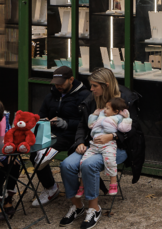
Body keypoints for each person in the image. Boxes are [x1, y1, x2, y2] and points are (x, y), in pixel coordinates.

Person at [59, 68, 140, 229]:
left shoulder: (125, 100)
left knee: (89, 165)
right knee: (66, 165)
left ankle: (94, 208)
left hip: (118, 147)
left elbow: (134, 130)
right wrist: (80, 142)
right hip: (93, 145)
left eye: (94, 86)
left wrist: (113, 136)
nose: (91, 89)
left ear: (106, 85)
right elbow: (83, 125)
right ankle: (77, 206)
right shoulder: (92, 100)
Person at [31, 65, 90, 207]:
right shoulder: (51, 95)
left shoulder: (84, 95)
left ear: (71, 79)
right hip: (52, 133)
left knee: (44, 152)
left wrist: (67, 123)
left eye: (61, 83)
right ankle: (51, 187)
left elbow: (87, 122)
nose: (58, 86)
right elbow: (41, 114)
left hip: (73, 135)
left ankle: (73, 189)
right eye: (56, 84)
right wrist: (44, 122)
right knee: (35, 153)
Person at [78, 98, 132, 197]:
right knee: (82, 162)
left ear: (115, 111)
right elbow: (90, 125)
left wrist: (126, 118)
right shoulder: (101, 115)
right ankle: (82, 185)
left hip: (109, 144)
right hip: (94, 144)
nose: (104, 110)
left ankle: (113, 183)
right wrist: (94, 114)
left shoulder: (118, 118)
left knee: (110, 161)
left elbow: (124, 129)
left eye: (107, 108)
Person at [0, 100, 20, 215]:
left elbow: (10, 137)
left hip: (3, 154)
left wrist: (12, 153)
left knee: (15, 165)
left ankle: (8, 199)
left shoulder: (4, 118)